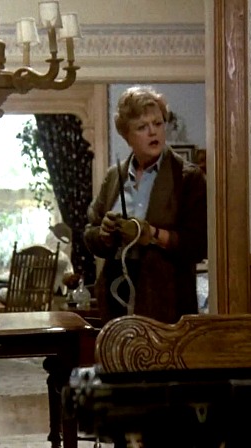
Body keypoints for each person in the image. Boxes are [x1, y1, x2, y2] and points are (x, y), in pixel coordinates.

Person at [84, 85, 207, 325]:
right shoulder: (114, 176)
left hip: (166, 300)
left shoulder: (187, 177)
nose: (153, 132)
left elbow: (198, 245)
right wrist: (105, 234)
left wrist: (151, 234)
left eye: (158, 124)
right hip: (116, 296)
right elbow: (91, 233)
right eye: (142, 127)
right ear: (127, 135)